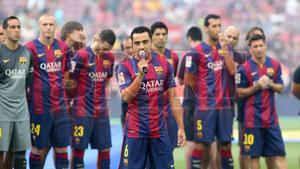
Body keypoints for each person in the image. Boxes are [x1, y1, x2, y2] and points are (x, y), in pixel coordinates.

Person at [116, 26, 186, 169]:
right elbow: (126, 97)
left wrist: (181, 127)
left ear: (151, 41)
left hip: (159, 130)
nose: (141, 46)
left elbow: (173, 98)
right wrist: (140, 75)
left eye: (145, 41)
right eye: (137, 43)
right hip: (136, 131)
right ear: (133, 44)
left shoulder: (165, 64)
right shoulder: (124, 67)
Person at [185, 14, 235, 169]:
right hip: (205, 107)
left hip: (225, 107)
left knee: (225, 145)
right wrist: (204, 94)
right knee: (201, 145)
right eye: (214, 26)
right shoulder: (196, 51)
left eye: (219, 25)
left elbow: (232, 70)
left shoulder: (226, 48)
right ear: (206, 28)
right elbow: (188, 80)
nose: (218, 29)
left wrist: (225, 48)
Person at [26, 14, 71, 169]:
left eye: (51, 24)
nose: (48, 27)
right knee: (37, 148)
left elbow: (65, 75)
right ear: (39, 26)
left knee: (62, 148)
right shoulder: (30, 48)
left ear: (55, 26)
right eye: (45, 24)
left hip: (60, 108)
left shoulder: (63, 48)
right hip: (39, 108)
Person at [236, 34, 288, 169]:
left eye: (261, 46)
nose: (259, 49)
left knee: (280, 155)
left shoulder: (275, 65)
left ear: (265, 46)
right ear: (250, 49)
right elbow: (240, 92)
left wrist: (270, 84)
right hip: (252, 122)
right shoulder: (243, 68)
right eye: (255, 46)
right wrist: (257, 86)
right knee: (254, 157)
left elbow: (281, 87)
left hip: (271, 121)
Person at [69, 29, 116, 169]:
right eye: (103, 48)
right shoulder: (80, 56)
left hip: (101, 111)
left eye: (107, 49)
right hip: (82, 111)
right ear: (96, 38)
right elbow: (71, 82)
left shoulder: (110, 58)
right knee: (78, 149)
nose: (104, 52)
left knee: (105, 149)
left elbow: (106, 81)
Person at [0, 16, 33, 169]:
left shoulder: (27, 54)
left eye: (18, 27)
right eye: (12, 27)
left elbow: (28, 82)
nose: (16, 30)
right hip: (2, 111)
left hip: (20, 111)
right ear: (4, 31)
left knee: (19, 153)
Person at [150, 21, 179, 153]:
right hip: (151, 113)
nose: (161, 37)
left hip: (169, 112)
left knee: (169, 152)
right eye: (157, 34)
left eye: (164, 34)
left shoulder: (174, 57)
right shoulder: (146, 57)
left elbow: (171, 83)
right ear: (151, 37)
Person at [177, 26, 202, 169]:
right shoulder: (207, 53)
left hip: (189, 104)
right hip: (206, 104)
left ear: (189, 39)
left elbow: (181, 80)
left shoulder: (188, 55)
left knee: (191, 143)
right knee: (207, 142)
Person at [118, 36, 134, 129]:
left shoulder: (147, 64)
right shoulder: (121, 68)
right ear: (123, 51)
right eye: (127, 48)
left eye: (132, 46)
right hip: (128, 113)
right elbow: (126, 95)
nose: (131, 50)